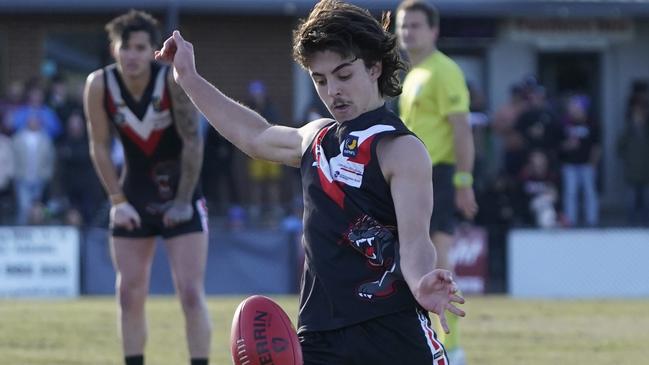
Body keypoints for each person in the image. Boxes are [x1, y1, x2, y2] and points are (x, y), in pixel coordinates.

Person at [156, 0, 465, 363]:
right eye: (320, 80)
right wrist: (189, 78)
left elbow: (416, 243)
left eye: (343, 75)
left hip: (391, 330)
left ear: (374, 68)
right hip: (319, 335)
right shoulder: (314, 139)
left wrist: (419, 281)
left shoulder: (401, 149)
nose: (332, 90)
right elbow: (254, 135)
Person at [83, 10, 211, 365]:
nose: (133, 55)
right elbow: (97, 144)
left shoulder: (170, 79)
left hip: (182, 194)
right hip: (134, 194)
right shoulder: (99, 84)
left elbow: (192, 140)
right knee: (128, 292)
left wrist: (184, 201)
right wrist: (117, 199)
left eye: (141, 47)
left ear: (154, 50)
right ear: (114, 49)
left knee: (189, 292)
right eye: (127, 47)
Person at [396, 1, 478, 363]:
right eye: (402, 26)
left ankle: (453, 347)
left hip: (439, 173)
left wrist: (463, 180)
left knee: (438, 260)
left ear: (434, 31)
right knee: (414, 260)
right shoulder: (413, 73)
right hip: (412, 176)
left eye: (415, 25)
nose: (407, 32)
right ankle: (424, 340)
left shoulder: (444, 71)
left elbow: (461, 128)